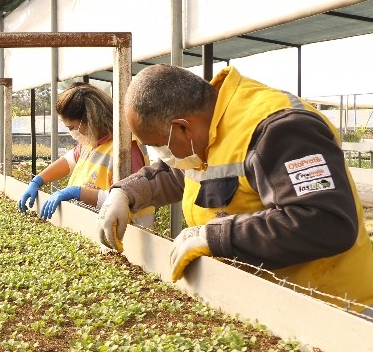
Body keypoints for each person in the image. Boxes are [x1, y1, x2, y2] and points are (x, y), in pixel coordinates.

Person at [96, 64, 373, 310]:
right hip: (271, 305)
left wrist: (215, 236)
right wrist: (125, 192)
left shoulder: (279, 129)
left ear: (182, 128)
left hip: (331, 306)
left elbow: (327, 222)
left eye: (158, 146)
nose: (160, 155)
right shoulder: (206, 128)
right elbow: (176, 172)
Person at [19, 83, 151, 222]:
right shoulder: (91, 141)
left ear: (90, 120)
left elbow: (125, 198)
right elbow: (69, 160)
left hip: (127, 233)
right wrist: (37, 180)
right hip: (94, 227)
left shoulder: (127, 149)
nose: (72, 133)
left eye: (73, 127)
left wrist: (77, 192)